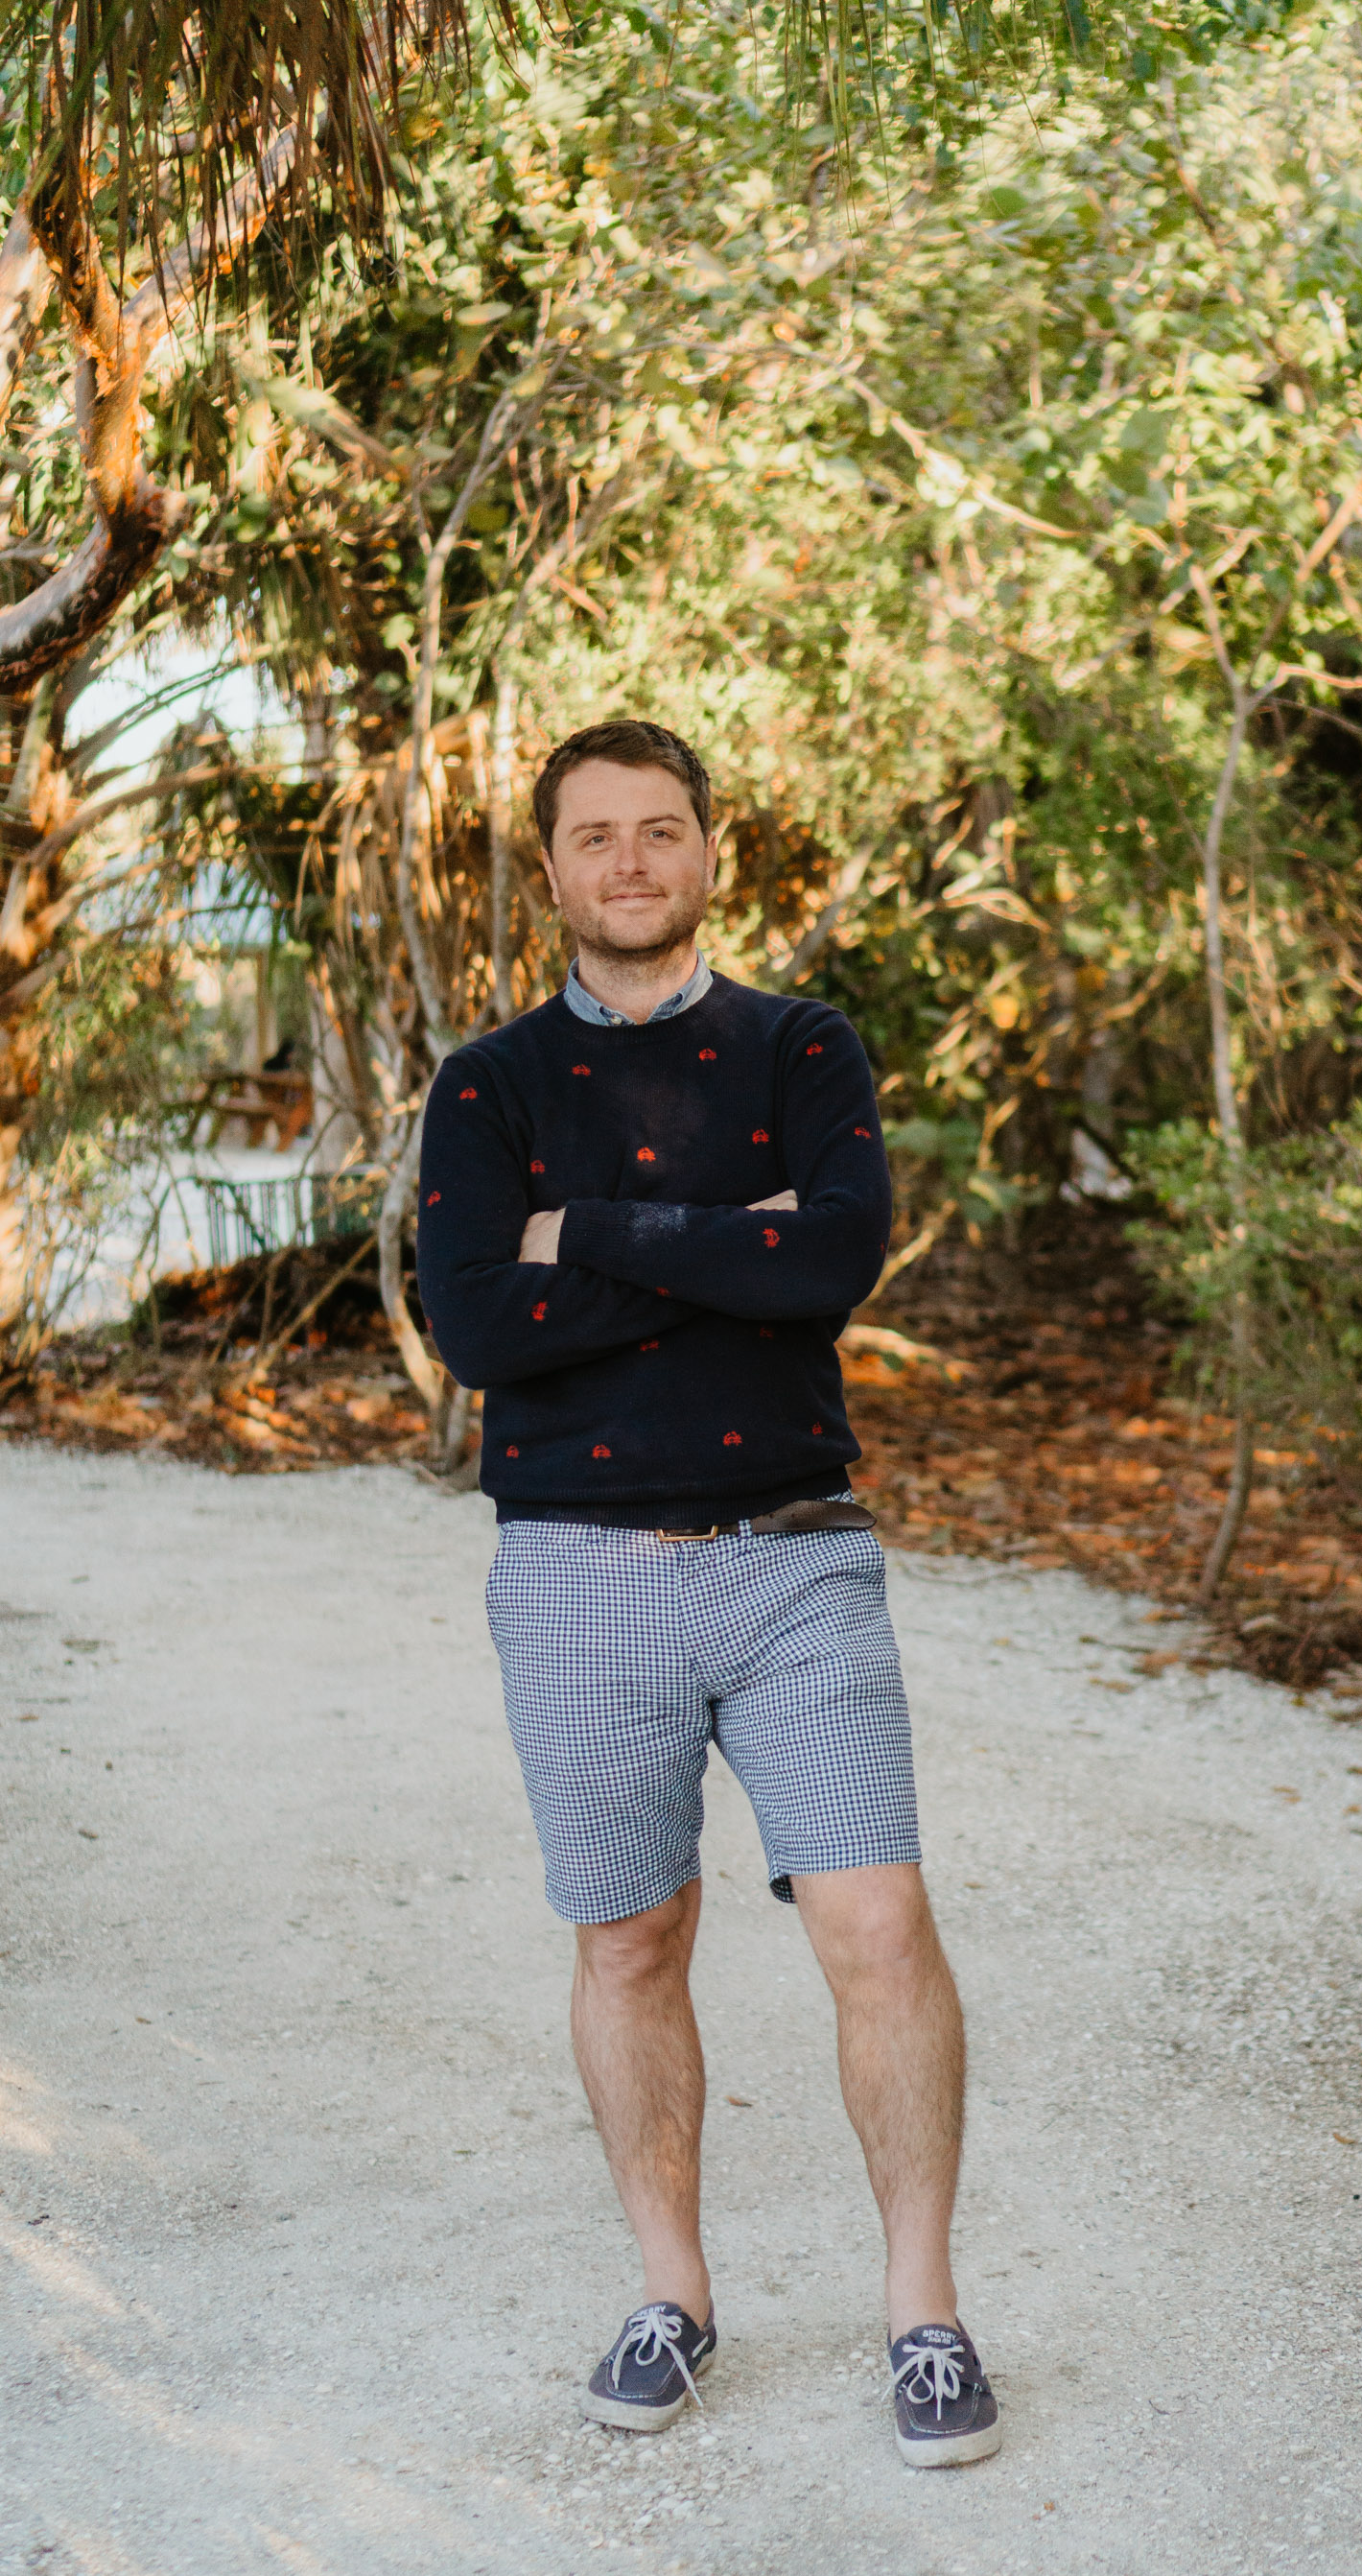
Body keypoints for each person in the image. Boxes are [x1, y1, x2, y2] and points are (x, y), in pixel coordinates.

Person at [416, 719, 998, 2468]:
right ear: (551, 872)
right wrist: (726, 1253)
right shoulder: (490, 1086)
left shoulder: (803, 1045)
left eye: (659, 830)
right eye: (593, 837)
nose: (630, 863)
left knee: (877, 1930)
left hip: (794, 1555)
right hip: (576, 1572)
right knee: (630, 1938)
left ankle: (926, 2313)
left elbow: (827, 1257)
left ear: (707, 852)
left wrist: (580, 1235)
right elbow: (473, 1329)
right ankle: (673, 2292)